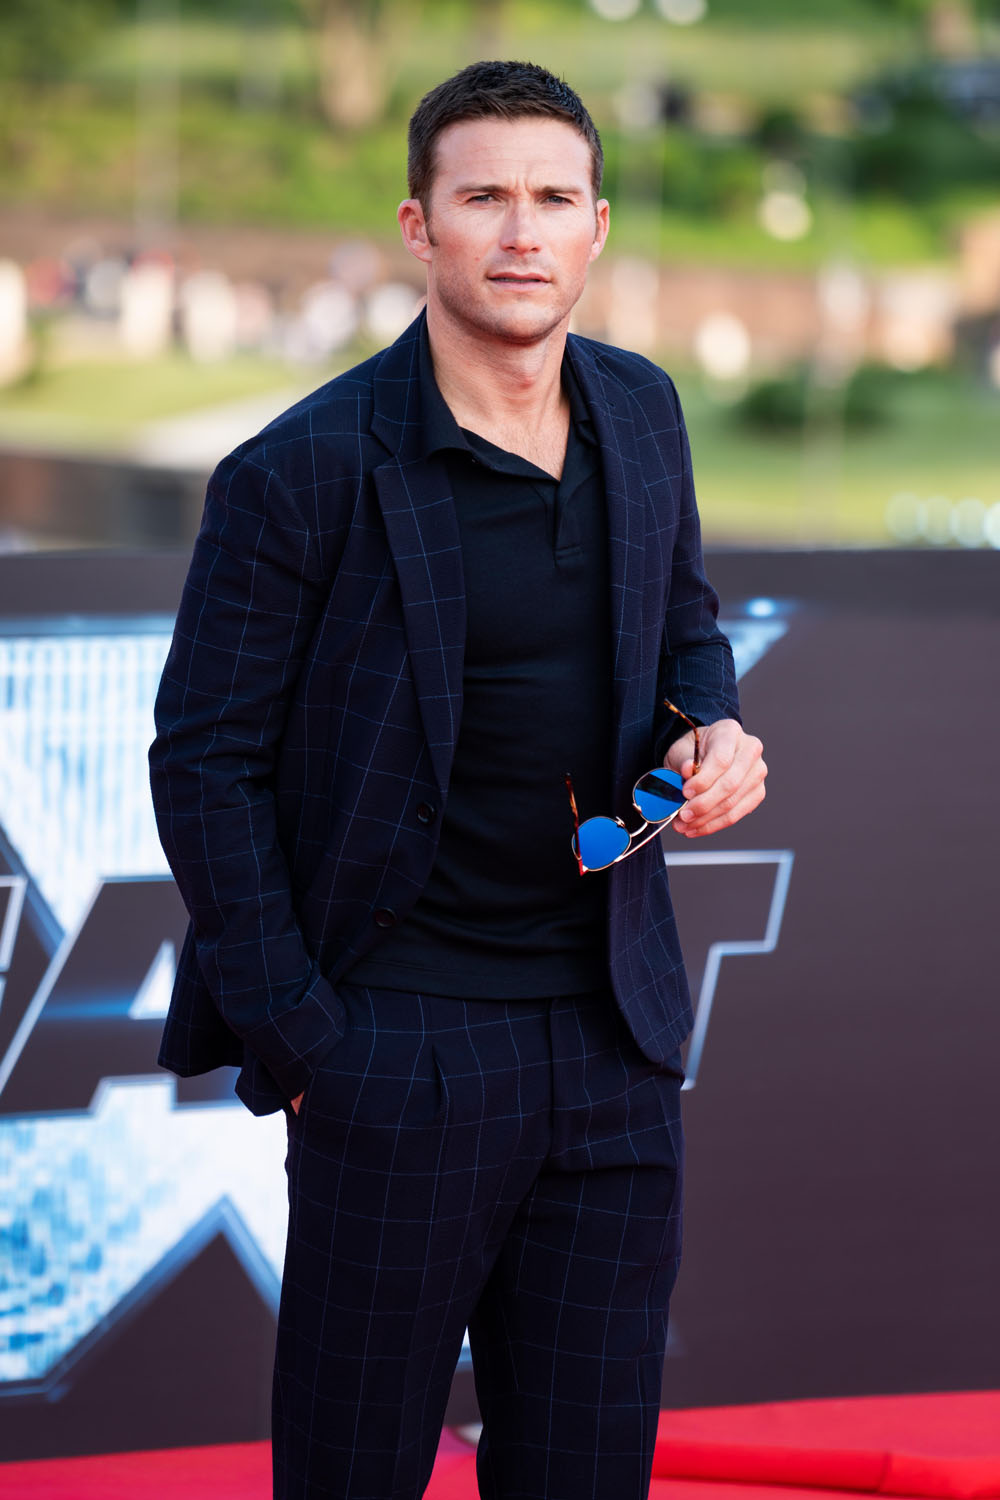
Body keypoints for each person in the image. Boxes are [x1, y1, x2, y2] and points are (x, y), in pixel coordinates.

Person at [149, 59, 766, 1500]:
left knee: (587, 1474)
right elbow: (203, 760)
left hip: (614, 1042)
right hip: (396, 1046)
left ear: (598, 225)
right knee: (355, 1473)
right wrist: (310, 1040)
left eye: (554, 197)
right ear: (419, 227)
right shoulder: (301, 471)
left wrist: (711, 730)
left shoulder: (644, 413)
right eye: (484, 196)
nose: (522, 231)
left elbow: (685, 629)